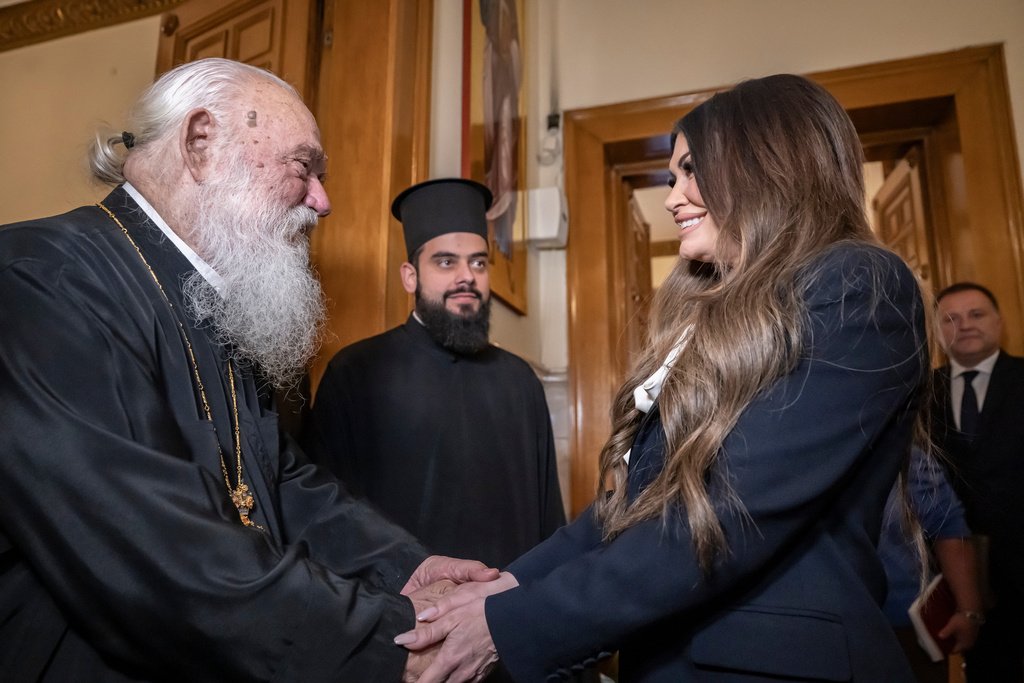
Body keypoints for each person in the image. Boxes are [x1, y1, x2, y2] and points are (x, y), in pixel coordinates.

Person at [395, 74, 930, 682]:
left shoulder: (859, 284)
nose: (672, 197)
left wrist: (509, 626)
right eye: (671, 178)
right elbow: (627, 509)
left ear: (763, 162)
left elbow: (730, 515)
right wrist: (504, 588)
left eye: (689, 171)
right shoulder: (707, 314)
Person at [0, 58, 496, 682]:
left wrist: (405, 569)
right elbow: (156, 557)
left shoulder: (213, 303)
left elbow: (281, 482)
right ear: (200, 143)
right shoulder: (40, 281)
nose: (323, 201)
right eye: (304, 167)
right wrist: (395, 633)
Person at [303, 178, 565, 572]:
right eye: (446, 262)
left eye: (478, 262)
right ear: (410, 276)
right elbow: (328, 519)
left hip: (508, 617)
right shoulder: (355, 374)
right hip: (401, 617)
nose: (467, 277)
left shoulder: (520, 381)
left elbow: (550, 525)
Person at [931, 282, 1024, 681]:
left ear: (1000, 322)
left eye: (976, 314)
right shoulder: (917, 392)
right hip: (952, 567)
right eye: (951, 319)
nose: (964, 325)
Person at [878, 449, 982, 682]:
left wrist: (969, 611)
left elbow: (949, 527)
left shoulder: (902, 451)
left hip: (905, 628)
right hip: (820, 629)